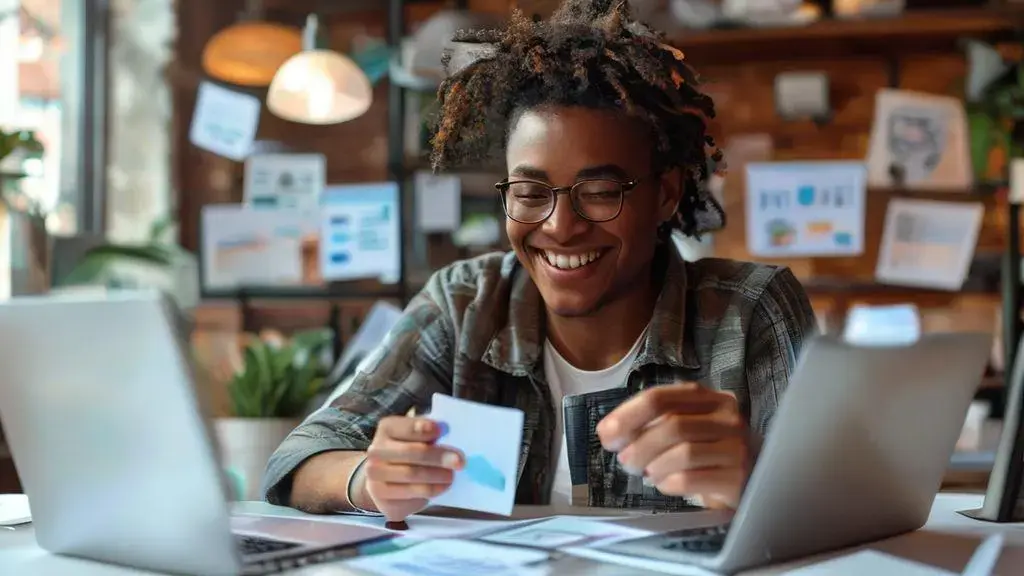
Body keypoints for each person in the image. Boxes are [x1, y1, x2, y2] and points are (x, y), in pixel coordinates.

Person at [262, 0, 816, 522]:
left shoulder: (750, 312)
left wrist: (755, 476)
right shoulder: (466, 304)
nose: (559, 225)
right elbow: (299, 458)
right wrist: (368, 479)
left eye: (600, 192)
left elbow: (840, 503)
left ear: (665, 195)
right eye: (530, 193)